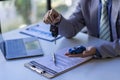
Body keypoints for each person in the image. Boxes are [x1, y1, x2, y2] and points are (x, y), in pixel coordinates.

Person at [43, 0, 120, 58]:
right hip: (94, 59)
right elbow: (71, 30)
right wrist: (58, 19)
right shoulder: (86, 1)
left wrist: (98, 50)